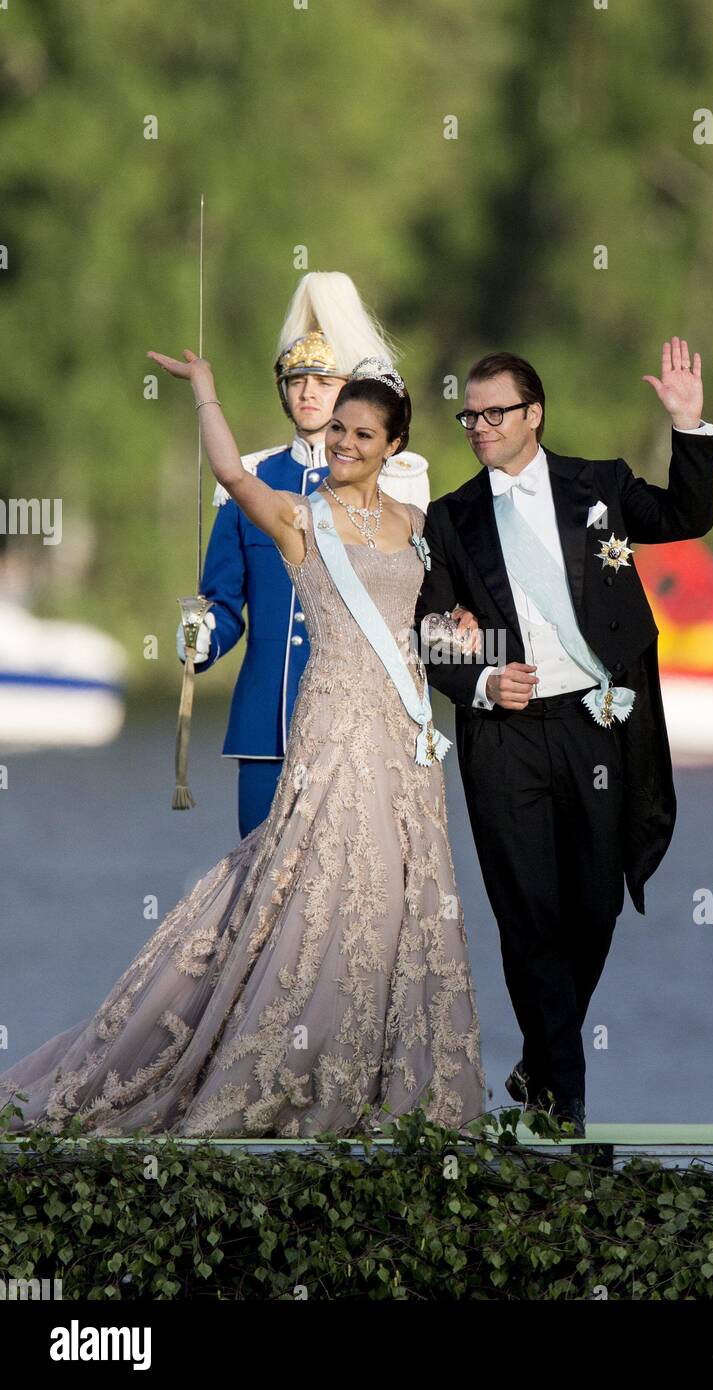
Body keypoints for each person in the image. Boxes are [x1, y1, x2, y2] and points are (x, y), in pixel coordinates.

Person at [0, 353, 484, 1139]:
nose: (345, 443)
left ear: (394, 446)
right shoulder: (298, 516)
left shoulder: (419, 529)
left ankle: (375, 1081)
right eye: (338, 430)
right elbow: (229, 471)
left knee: (397, 901)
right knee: (321, 895)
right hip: (331, 728)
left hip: (405, 737)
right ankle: (286, 1072)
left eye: (363, 433)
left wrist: (455, 630)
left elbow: (419, 628)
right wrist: (206, 394)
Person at [414, 346, 713, 1135]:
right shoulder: (450, 519)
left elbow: (687, 518)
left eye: (494, 413)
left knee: (592, 906)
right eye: (470, 416)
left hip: (598, 725)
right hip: (507, 734)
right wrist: (484, 679)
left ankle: (542, 1057)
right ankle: (564, 1104)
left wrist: (688, 424)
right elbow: (433, 632)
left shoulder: (601, 486)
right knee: (528, 914)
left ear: (534, 414)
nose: (479, 427)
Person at [179, 270, 431, 838]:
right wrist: (200, 638)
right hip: (269, 719)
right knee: (260, 890)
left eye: (323, 379)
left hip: (360, 721)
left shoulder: (401, 480)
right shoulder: (253, 478)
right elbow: (222, 600)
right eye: (297, 379)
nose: (309, 392)